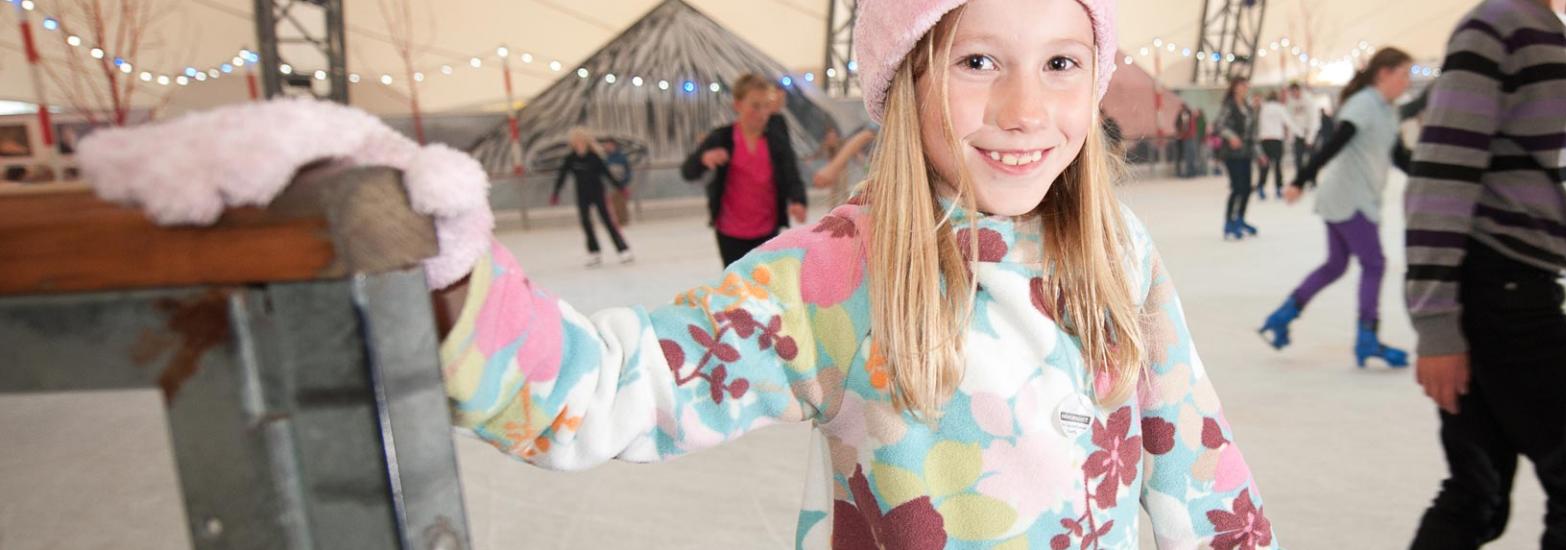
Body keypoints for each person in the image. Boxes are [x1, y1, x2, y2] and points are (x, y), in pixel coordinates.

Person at [430, 0, 1279, 547]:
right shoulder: (834, 274)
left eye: (1060, 62)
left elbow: (1199, 472)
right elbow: (610, 389)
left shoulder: (1115, 248)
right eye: (977, 61)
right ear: (903, 79)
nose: (1025, 111)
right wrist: (448, 270)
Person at [1402, 0, 1566, 547]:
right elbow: (1440, 177)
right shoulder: (1494, 27)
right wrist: (1437, 327)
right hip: (1497, 288)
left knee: (1478, 495)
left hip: (1527, 282)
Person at [1259, 47, 1417, 369]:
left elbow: (1400, 157)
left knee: (1336, 264)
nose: (1407, 83)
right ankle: (1367, 337)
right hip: (1349, 198)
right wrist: (1301, 178)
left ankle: (1281, 316)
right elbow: (1335, 143)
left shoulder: (1387, 110)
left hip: (1349, 197)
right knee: (1374, 263)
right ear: (1384, 73)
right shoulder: (1364, 105)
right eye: (1404, 75)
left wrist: (1437, 175)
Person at [682, 74, 809, 268]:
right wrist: (703, 159)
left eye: (766, 105)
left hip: (767, 229)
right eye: (755, 106)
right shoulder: (721, 137)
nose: (762, 113)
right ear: (738, 105)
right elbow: (687, 171)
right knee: (736, 288)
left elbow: (791, 173)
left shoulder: (776, 140)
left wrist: (798, 200)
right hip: (729, 232)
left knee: (765, 286)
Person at [550, 127, 632, 266]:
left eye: (581, 141)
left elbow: (607, 174)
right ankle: (594, 252)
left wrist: (620, 187)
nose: (579, 145)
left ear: (586, 142)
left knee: (607, 221)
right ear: (573, 143)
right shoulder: (571, 159)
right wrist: (556, 193)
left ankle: (623, 249)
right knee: (585, 222)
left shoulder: (594, 157)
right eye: (576, 142)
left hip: (598, 193)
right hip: (582, 195)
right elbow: (562, 176)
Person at [1214, 76, 1259, 240]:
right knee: (1237, 187)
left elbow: (1252, 132)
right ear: (1234, 87)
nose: (1244, 88)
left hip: (1246, 153)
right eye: (1241, 85)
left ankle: (1240, 219)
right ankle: (1229, 222)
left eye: (1246, 85)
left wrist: (1259, 153)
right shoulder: (1229, 106)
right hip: (1232, 154)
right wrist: (1231, 137)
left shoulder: (1247, 107)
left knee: (1247, 188)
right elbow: (1219, 125)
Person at [1255, 90, 1290, 201]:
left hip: (1264, 139)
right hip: (1276, 139)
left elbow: (1257, 123)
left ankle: (1261, 187)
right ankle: (1278, 189)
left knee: (1264, 165)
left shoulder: (1263, 108)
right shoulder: (1280, 108)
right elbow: (1287, 121)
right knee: (1277, 165)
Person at [1281, 82, 1322, 175]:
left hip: (1311, 131)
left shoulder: (1309, 100)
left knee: (1312, 157)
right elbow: (1290, 120)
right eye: (1292, 92)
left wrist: (1310, 138)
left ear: (1299, 90)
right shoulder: (1290, 103)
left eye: (1296, 92)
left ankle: (1312, 178)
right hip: (1299, 133)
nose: (1294, 94)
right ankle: (1299, 178)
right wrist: (1296, 134)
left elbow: (1314, 119)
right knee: (1298, 158)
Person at [601, 138, 635, 225]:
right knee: (612, 204)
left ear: (614, 146)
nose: (606, 147)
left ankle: (623, 221)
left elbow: (629, 171)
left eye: (608, 145)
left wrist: (624, 182)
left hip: (620, 184)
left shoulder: (621, 157)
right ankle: (616, 221)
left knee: (620, 204)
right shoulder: (605, 158)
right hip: (610, 185)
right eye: (606, 145)